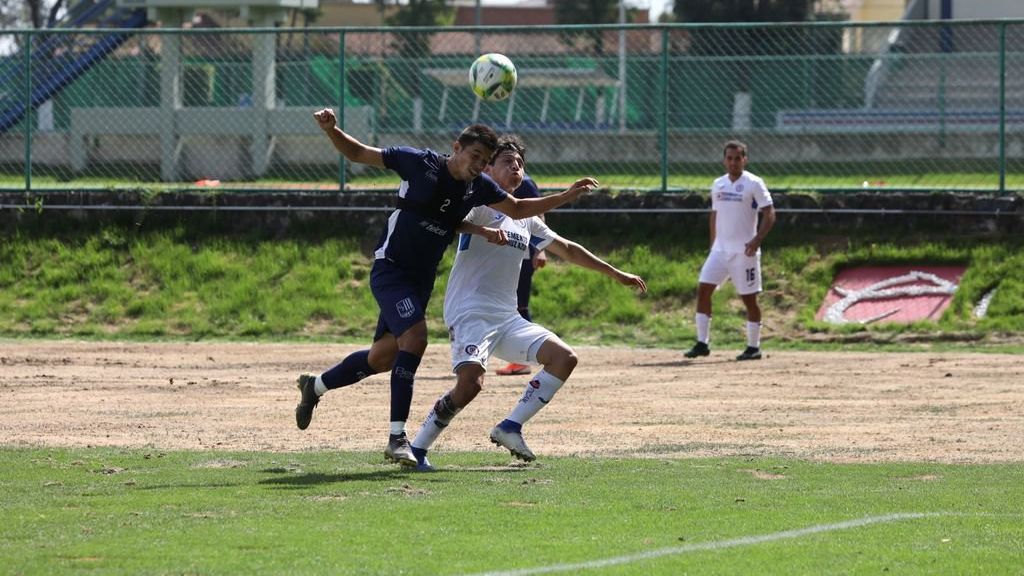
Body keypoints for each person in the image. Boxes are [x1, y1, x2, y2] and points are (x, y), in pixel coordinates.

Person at [294, 109, 599, 467]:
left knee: (382, 357)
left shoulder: (479, 186)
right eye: (475, 156)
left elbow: (517, 209)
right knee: (415, 339)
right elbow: (359, 153)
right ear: (456, 147)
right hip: (391, 268)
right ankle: (397, 439)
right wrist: (332, 130)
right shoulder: (419, 162)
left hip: (421, 279)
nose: (478, 165)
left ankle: (315, 386)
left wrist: (566, 195)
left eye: (484, 160)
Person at [408, 135, 647, 471]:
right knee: (471, 384)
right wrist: (482, 229)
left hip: (507, 318)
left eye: (520, 163)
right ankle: (417, 448)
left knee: (564, 358)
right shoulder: (479, 203)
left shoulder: (526, 219)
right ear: (487, 168)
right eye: (507, 161)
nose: (516, 167)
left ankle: (510, 426)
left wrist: (616, 273)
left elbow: (568, 249)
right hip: (470, 311)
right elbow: (447, 219)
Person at [683, 140, 776, 362]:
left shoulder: (754, 183)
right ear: (724, 160)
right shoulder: (719, 184)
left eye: (738, 158)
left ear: (745, 160)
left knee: (749, 299)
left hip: (744, 252)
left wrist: (757, 239)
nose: (733, 162)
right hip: (719, 251)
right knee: (703, 290)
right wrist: (713, 244)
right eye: (729, 158)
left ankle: (753, 347)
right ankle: (702, 343)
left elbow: (770, 213)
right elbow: (715, 214)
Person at [496, 172, 545, 376]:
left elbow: (539, 214)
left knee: (519, 306)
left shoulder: (524, 183)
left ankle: (524, 359)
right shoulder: (492, 182)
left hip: (524, 253)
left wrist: (540, 250)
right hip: (505, 252)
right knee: (508, 306)